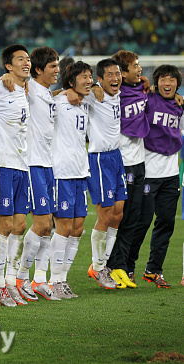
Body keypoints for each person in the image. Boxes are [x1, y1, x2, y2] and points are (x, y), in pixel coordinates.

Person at [130, 65, 183, 288]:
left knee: (166, 223)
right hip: (149, 174)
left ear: (177, 84)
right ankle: (127, 267)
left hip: (172, 175)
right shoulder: (147, 99)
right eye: (163, 79)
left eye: (172, 79)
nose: (167, 83)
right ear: (156, 82)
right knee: (141, 223)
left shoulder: (180, 106)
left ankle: (153, 270)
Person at [15, 46, 61, 301]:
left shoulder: (46, 93)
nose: (58, 70)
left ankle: (39, 279)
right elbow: (14, 82)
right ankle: (21, 277)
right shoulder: (29, 88)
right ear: (38, 69)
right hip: (32, 163)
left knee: (49, 226)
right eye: (53, 66)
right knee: (41, 223)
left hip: (48, 164)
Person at [0, 44, 31, 307]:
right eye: (20, 59)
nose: (26, 63)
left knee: (20, 226)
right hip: (2, 164)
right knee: (4, 226)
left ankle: (11, 281)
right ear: (8, 65)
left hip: (22, 165)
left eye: (28, 59)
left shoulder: (25, 90)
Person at [49, 61, 93, 298]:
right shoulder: (57, 102)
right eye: (83, 77)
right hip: (62, 172)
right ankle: (53, 280)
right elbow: (39, 99)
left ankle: (63, 280)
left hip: (80, 172)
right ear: (70, 82)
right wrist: (62, 92)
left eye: (90, 76)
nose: (89, 80)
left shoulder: (86, 103)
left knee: (77, 228)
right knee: (63, 227)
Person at [84, 58, 128, 289]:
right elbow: (67, 90)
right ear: (99, 78)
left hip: (117, 157)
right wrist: (90, 87)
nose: (115, 78)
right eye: (109, 74)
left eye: (117, 73)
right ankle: (97, 267)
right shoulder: (94, 94)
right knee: (106, 214)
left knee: (118, 213)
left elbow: (137, 81)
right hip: (99, 158)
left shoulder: (119, 94)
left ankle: (104, 263)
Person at [107, 50, 148, 286]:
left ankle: (122, 265)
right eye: (135, 66)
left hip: (139, 161)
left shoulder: (141, 90)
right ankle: (113, 265)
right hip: (123, 162)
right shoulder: (113, 95)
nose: (140, 69)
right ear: (122, 73)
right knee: (121, 218)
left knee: (137, 218)